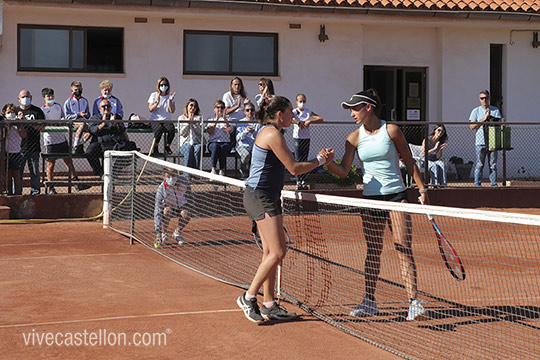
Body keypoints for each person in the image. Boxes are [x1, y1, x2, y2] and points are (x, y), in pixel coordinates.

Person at [326, 89, 429, 321]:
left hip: (396, 196)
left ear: (368, 107)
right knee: (373, 251)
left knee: (403, 247)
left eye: (355, 108)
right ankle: (369, 301)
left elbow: (409, 161)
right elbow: (343, 171)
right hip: (371, 198)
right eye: (350, 109)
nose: (352, 113)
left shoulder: (391, 130)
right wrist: (329, 164)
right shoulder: (353, 138)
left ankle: (414, 302)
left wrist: (422, 189)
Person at [237, 95, 334, 323]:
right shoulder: (271, 134)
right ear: (280, 114)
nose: (294, 115)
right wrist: (320, 160)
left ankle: (269, 304)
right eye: (290, 111)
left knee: (270, 253)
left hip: (267, 196)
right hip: (260, 196)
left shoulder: (273, 132)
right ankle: (248, 296)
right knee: (279, 251)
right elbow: (294, 168)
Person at [41, 88, 89, 194]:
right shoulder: (43, 109)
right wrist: (53, 125)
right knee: (50, 164)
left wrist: (62, 121)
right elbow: (43, 125)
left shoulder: (58, 106)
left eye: (52, 96)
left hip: (61, 139)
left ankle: (76, 182)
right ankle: (51, 186)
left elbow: (64, 118)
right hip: (50, 140)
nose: (50, 98)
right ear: (44, 98)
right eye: (48, 96)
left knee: (68, 161)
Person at [86, 98, 129, 177]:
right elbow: (93, 130)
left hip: (114, 143)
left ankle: (114, 172)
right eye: (104, 106)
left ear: (111, 108)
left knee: (130, 149)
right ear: (99, 109)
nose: (106, 108)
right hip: (100, 143)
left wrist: (114, 124)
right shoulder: (95, 118)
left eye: (108, 106)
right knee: (90, 152)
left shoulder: (116, 117)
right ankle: (100, 173)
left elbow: (122, 129)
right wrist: (103, 123)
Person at [291, 93, 324, 190]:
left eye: (304, 101)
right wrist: (298, 123)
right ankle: (298, 181)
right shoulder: (294, 111)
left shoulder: (308, 111)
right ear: (297, 102)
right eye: (300, 101)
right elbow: (289, 119)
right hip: (297, 138)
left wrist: (310, 121)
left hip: (306, 138)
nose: (302, 103)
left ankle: (303, 180)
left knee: (304, 159)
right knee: (298, 159)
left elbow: (320, 119)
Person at [469, 90, 501, 187]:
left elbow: (499, 123)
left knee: (493, 165)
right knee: (480, 164)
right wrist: (484, 119)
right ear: (479, 99)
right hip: (480, 142)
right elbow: (471, 126)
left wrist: (491, 118)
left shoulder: (495, 110)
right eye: (482, 98)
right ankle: (477, 184)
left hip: (492, 141)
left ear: (489, 98)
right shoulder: (476, 111)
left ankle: (493, 184)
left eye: (486, 98)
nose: (484, 100)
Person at [153, 170, 192, 248]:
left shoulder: (184, 183)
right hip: (168, 207)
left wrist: (189, 208)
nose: (171, 178)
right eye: (168, 176)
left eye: (173, 176)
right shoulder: (161, 189)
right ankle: (164, 234)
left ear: (177, 175)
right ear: (164, 177)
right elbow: (157, 209)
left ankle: (177, 233)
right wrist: (158, 233)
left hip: (181, 206)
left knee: (186, 213)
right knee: (167, 211)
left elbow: (190, 198)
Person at [17, 89, 45, 195]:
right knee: (18, 173)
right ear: (19, 99)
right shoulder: (15, 111)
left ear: (31, 97)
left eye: (27, 97)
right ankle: (17, 193)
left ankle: (35, 192)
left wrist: (26, 121)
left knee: (34, 172)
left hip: (34, 147)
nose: (25, 99)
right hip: (18, 149)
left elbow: (42, 127)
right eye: (23, 97)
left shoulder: (37, 111)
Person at [2, 104, 26, 195]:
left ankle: (18, 193)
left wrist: (18, 123)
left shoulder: (18, 124)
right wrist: (10, 124)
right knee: (8, 174)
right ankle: (9, 192)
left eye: (12, 112)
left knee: (16, 174)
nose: (10, 114)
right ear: (4, 114)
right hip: (7, 153)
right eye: (8, 112)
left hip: (16, 152)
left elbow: (23, 135)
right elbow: (5, 135)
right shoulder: (4, 124)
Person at [148, 77, 176, 154]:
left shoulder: (169, 96)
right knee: (158, 130)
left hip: (166, 119)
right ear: (158, 85)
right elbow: (150, 109)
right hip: (156, 119)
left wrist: (170, 101)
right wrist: (157, 102)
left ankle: (167, 146)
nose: (163, 86)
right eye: (161, 85)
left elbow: (172, 110)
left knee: (171, 129)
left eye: (165, 85)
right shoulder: (154, 95)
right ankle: (156, 146)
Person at [64, 81, 91, 155]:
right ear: (72, 91)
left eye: (79, 89)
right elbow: (67, 116)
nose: (78, 91)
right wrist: (78, 115)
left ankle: (80, 144)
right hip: (73, 122)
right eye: (75, 90)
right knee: (82, 124)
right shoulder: (68, 102)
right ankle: (75, 145)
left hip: (84, 121)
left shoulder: (85, 101)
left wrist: (86, 115)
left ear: (82, 89)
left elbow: (88, 114)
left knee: (93, 129)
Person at [206, 100, 233, 175]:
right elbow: (210, 131)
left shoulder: (228, 119)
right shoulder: (210, 118)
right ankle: (213, 169)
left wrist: (225, 120)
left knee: (223, 147)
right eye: (218, 107)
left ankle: (222, 170)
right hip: (213, 142)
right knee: (215, 146)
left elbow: (229, 131)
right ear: (214, 109)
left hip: (225, 142)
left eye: (222, 107)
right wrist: (216, 120)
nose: (220, 109)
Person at [235, 102, 259, 179]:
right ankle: (243, 172)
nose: (250, 112)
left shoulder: (258, 123)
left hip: (254, 146)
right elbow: (238, 138)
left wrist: (253, 132)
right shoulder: (240, 122)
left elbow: (260, 137)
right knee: (246, 155)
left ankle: (254, 175)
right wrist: (246, 131)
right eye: (247, 110)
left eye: (252, 110)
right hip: (242, 147)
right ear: (244, 112)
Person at [178, 99, 203, 170]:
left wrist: (194, 124)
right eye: (191, 105)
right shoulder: (181, 118)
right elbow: (182, 133)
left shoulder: (199, 118)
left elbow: (200, 132)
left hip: (197, 142)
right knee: (189, 148)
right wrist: (188, 122)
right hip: (184, 143)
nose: (193, 107)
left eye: (195, 106)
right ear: (187, 106)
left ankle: (196, 172)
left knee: (198, 148)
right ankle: (187, 175)